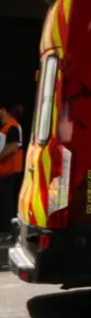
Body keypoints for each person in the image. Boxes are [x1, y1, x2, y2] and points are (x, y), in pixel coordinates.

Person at [0, 100, 25, 233]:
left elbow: (12, 147)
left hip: (9, 171)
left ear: (3, 110)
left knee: (6, 200)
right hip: (4, 170)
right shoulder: (5, 127)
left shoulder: (12, 126)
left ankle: (9, 229)